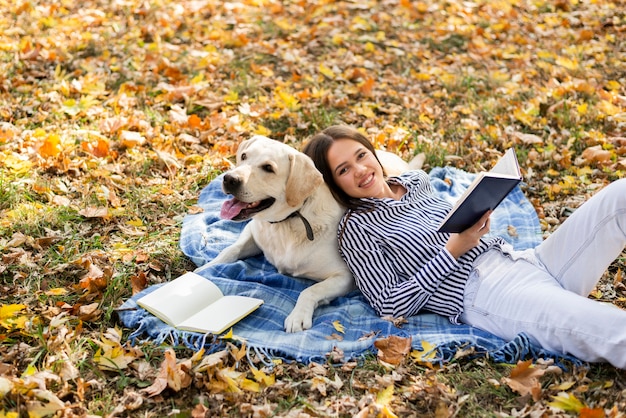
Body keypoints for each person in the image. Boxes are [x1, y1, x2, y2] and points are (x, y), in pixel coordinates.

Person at [303, 125, 626, 368]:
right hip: (488, 295)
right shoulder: (357, 228)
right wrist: (451, 252)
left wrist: (475, 211)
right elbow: (389, 304)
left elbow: (447, 226)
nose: (360, 170)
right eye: (343, 170)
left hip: (524, 261)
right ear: (334, 184)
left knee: (619, 197)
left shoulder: (416, 182)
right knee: (610, 328)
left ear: (372, 152)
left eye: (361, 155)